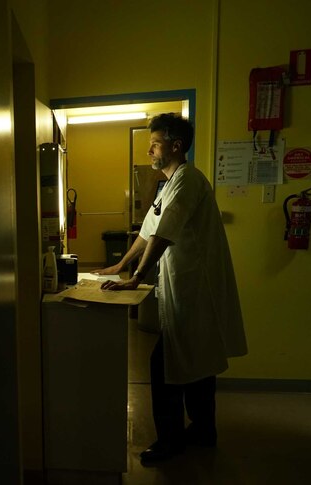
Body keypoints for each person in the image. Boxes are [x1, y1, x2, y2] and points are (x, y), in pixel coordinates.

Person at [91, 113, 247, 465]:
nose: (149, 150)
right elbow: (147, 232)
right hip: (187, 290)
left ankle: (170, 441)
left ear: (176, 146)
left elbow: (163, 235)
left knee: (165, 367)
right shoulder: (169, 184)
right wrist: (120, 265)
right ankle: (205, 432)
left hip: (195, 291)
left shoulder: (188, 181)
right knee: (198, 363)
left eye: (156, 143)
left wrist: (137, 276)